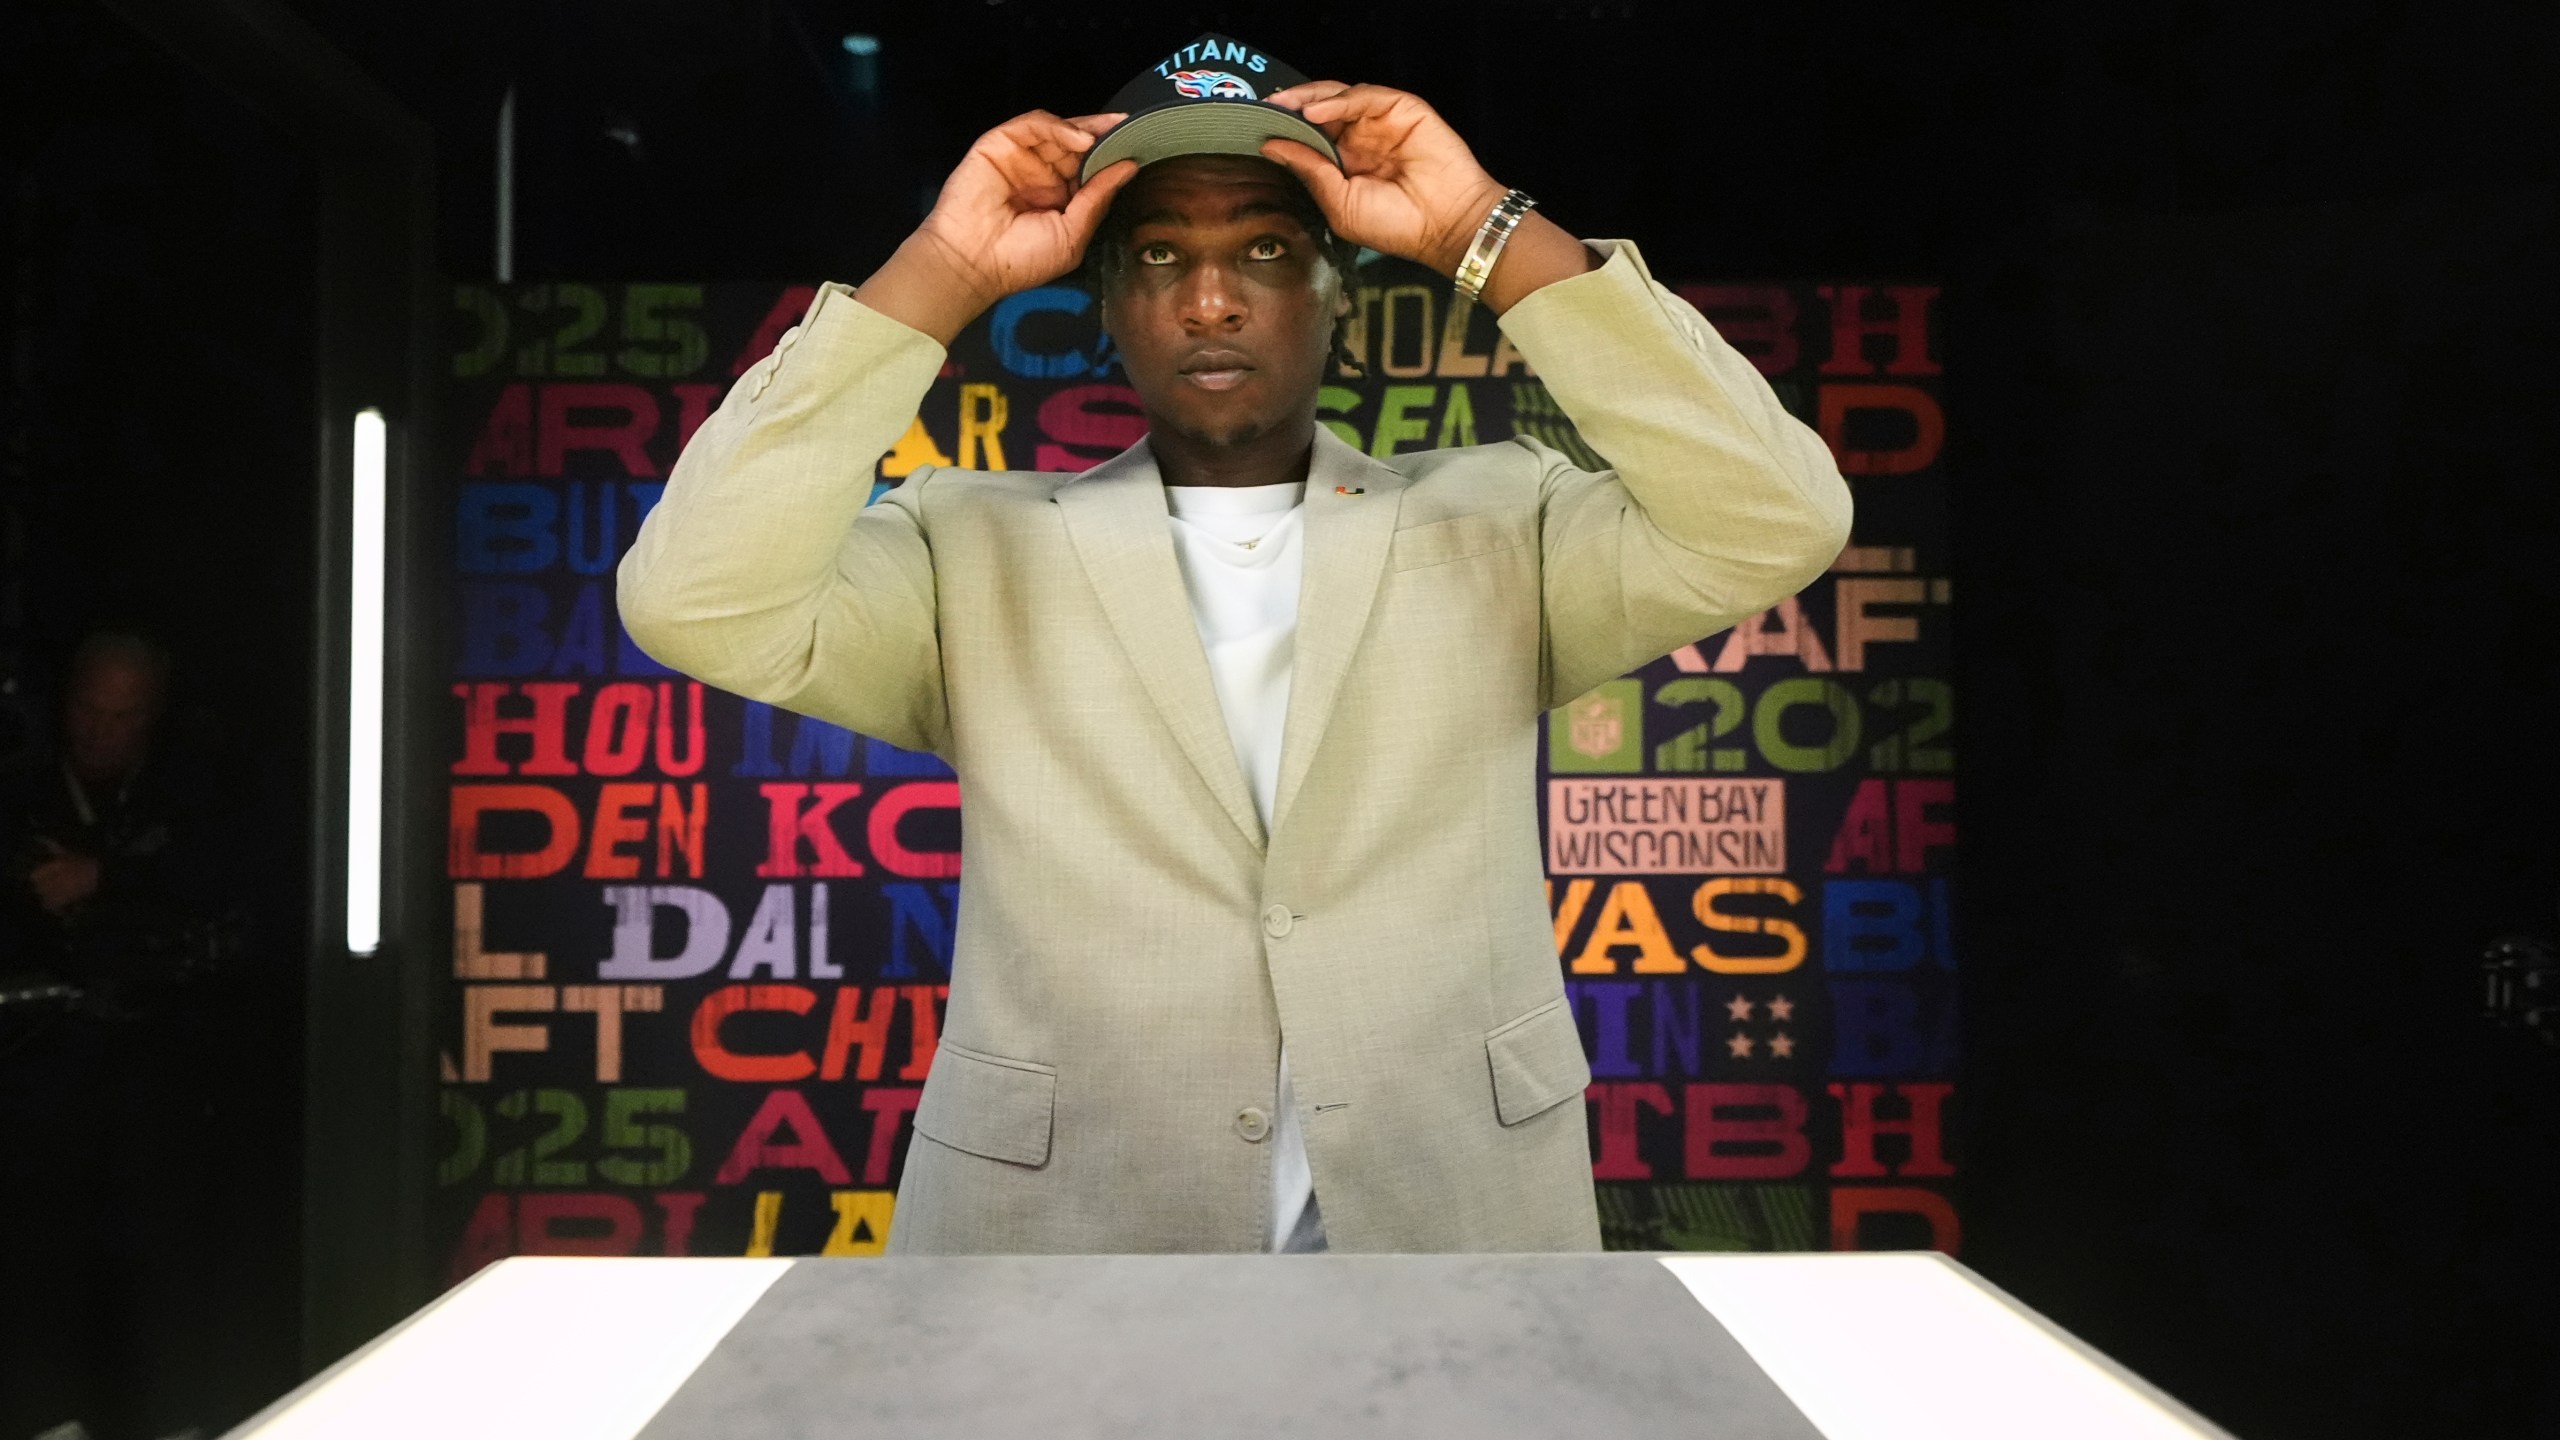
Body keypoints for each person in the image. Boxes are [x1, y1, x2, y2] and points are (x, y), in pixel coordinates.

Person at [618, 33, 1853, 1254]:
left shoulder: (1500, 518)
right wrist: (942, 266)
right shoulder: (967, 547)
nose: (1209, 298)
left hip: (1445, 1211)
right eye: (1157, 254)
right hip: (1065, 1233)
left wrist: (1478, 224)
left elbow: (1775, 514)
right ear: (1106, 306)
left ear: (1337, 289)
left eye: (1265, 248)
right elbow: (693, 597)